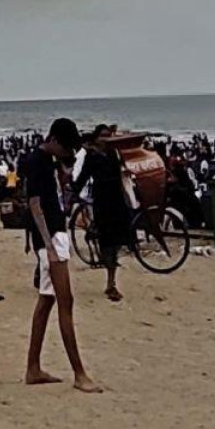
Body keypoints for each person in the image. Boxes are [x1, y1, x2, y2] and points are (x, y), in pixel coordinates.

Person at [20, 117, 101, 390]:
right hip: (51, 239)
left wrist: (64, 175)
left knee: (47, 301)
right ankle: (79, 374)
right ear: (54, 140)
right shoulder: (36, 162)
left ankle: (33, 368)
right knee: (66, 302)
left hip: (55, 234)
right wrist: (49, 245)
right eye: (66, 148)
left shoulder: (49, 161)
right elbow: (34, 205)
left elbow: (50, 198)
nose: (68, 153)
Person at [75, 130, 137, 305]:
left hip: (117, 200)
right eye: (102, 135)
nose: (106, 138)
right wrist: (73, 191)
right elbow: (83, 176)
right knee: (108, 242)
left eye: (108, 135)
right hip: (102, 202)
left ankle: (111, 278)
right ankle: (111, 284)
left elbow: (126, 168)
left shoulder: (114, 153)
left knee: (117, 241)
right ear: (96, 139)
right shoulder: (92, 156)